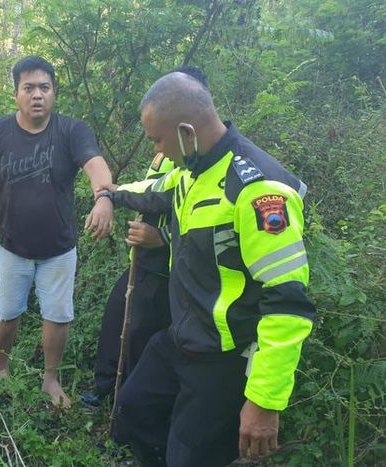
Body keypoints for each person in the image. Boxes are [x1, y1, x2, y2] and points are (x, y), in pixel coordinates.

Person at [97, 72, 315, 466]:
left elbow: (287, 302)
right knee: (133, 409)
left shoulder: (258, 190)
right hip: (182, 337)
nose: (157, 152)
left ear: (185, 132)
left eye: (157, 140)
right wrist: (109, 195)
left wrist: (264, 401)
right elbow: (150, 192)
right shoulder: (191, 172)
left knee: (191, 456)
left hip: (223, 358)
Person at [0, 55, 114, 408]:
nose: (37, 95)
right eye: (28, 88)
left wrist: (104, 197)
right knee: (8, 311)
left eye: (44, 87)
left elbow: (95, 165)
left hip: (58, 247)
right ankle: (1, 372)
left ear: (54, 92)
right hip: (10, 244)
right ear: (16, 93)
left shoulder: (71, 131)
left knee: (58, 314)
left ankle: (50, 379)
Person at [88, 67, 209, 405]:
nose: (156, 144)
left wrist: (164, 237)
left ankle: (127, 403)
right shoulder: (166, 151)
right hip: (143, 262)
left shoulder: (205, 160)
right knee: (117, 322)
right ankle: (106, 390)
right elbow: (154, 191)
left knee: (142, 338)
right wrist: (111, 193)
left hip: (166, 268)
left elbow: (204, 225)